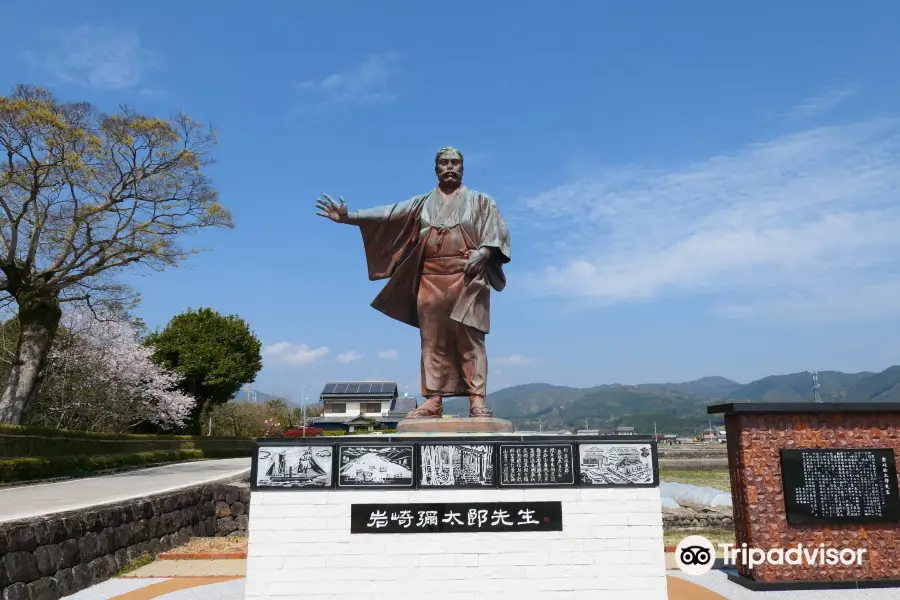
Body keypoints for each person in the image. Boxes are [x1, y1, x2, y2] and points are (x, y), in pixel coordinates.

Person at [315, 147, 511, 419]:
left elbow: (496, 232)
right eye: (444, 163)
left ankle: (477, 399)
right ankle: (433, 399)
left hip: (468, 277)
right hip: (431, 278)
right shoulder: (422, 203)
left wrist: (486, 252)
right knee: (431, 341)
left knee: (471, 340)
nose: (450, 167)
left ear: (463, 168)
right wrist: (350, 217)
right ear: (436, 169)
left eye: (455, 162)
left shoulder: (481, 201)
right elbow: (389, 213)